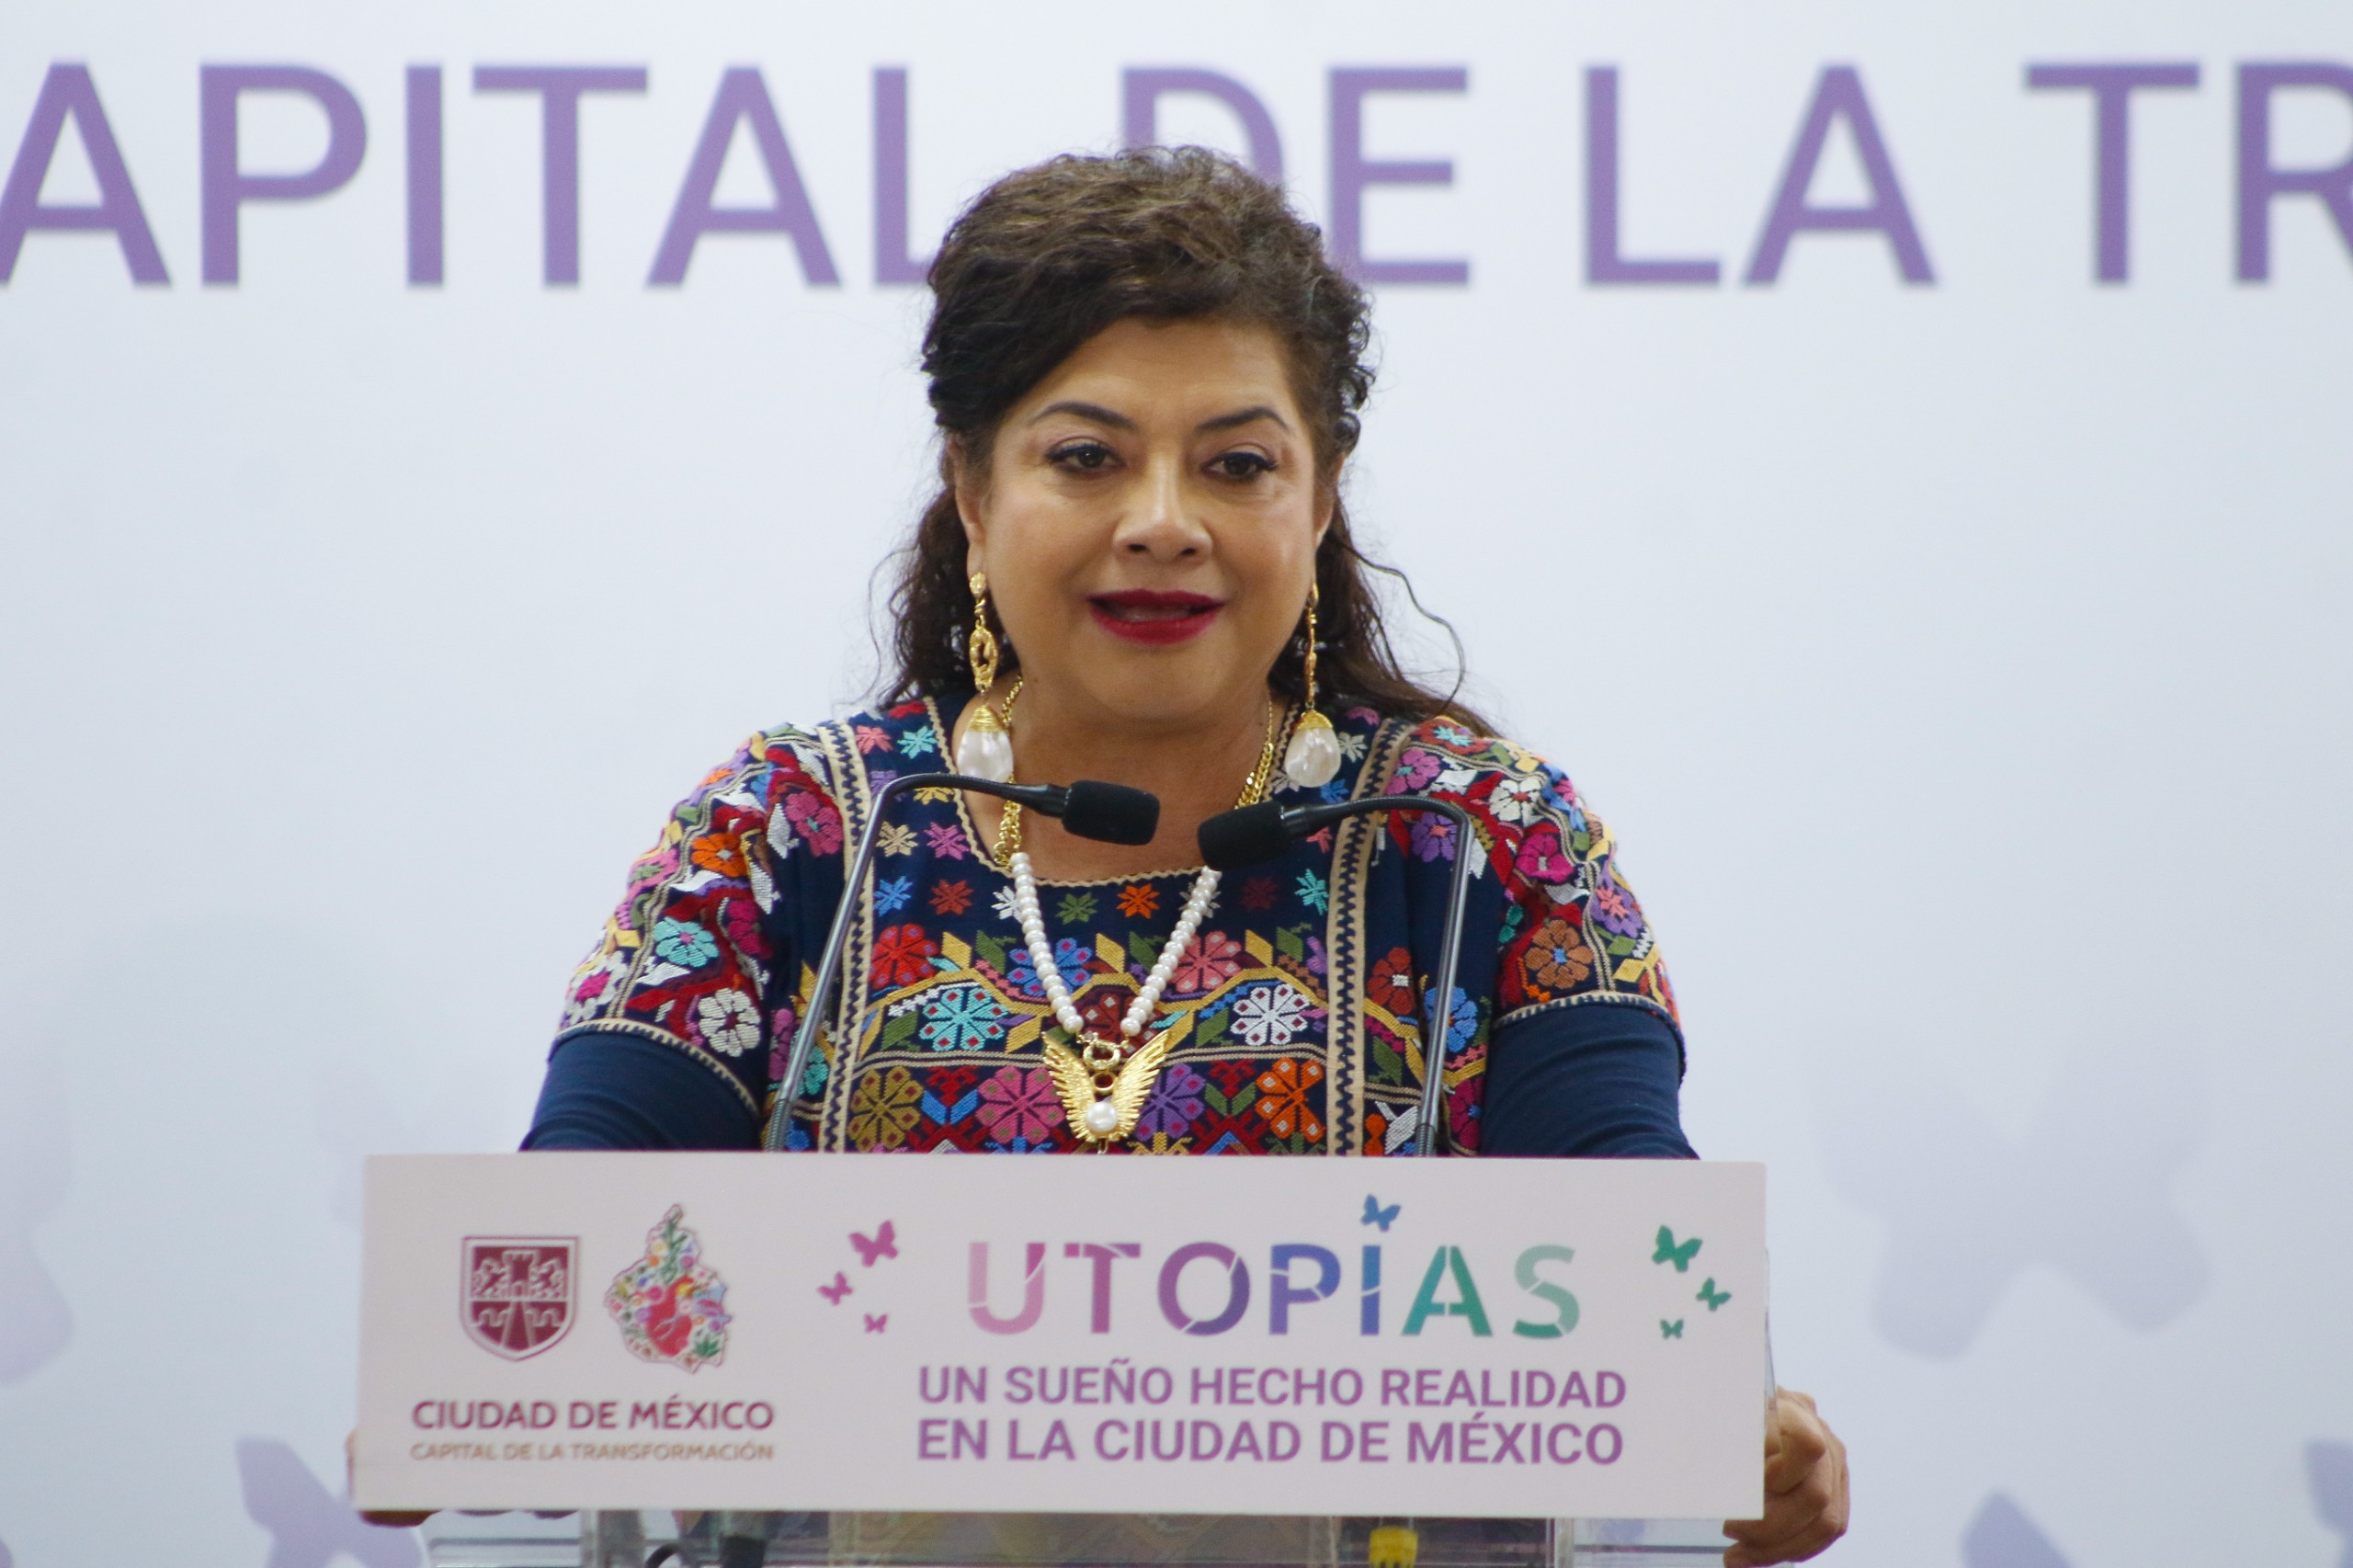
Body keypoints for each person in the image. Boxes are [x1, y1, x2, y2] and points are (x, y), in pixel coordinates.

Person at [523, 148, 1848, 1566]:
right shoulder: (788, 831)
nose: (1164, 520)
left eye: (1237, 464)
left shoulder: (1483, 840)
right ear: (972, 489)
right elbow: (578, 1232)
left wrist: (1730, 1420)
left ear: (1319, 502)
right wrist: (472, 1402)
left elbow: (1632, 1260)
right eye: (1086, 457)